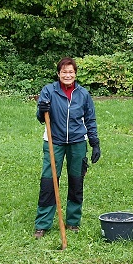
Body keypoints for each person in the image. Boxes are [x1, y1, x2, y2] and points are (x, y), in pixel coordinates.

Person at [34, 57, 100, 237]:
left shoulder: (83, 94)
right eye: (64, 72)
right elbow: (41, 118)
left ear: (75, 74)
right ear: (58, 74)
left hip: (78, 142)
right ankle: (42, 224)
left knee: (76, 181)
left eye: (71, 72)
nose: (67, 75)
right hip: (54, 141)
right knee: (49, 181)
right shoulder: (49, 91)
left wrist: (94, 143)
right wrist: (42, 109)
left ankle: (72, 221)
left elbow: (90, 120)